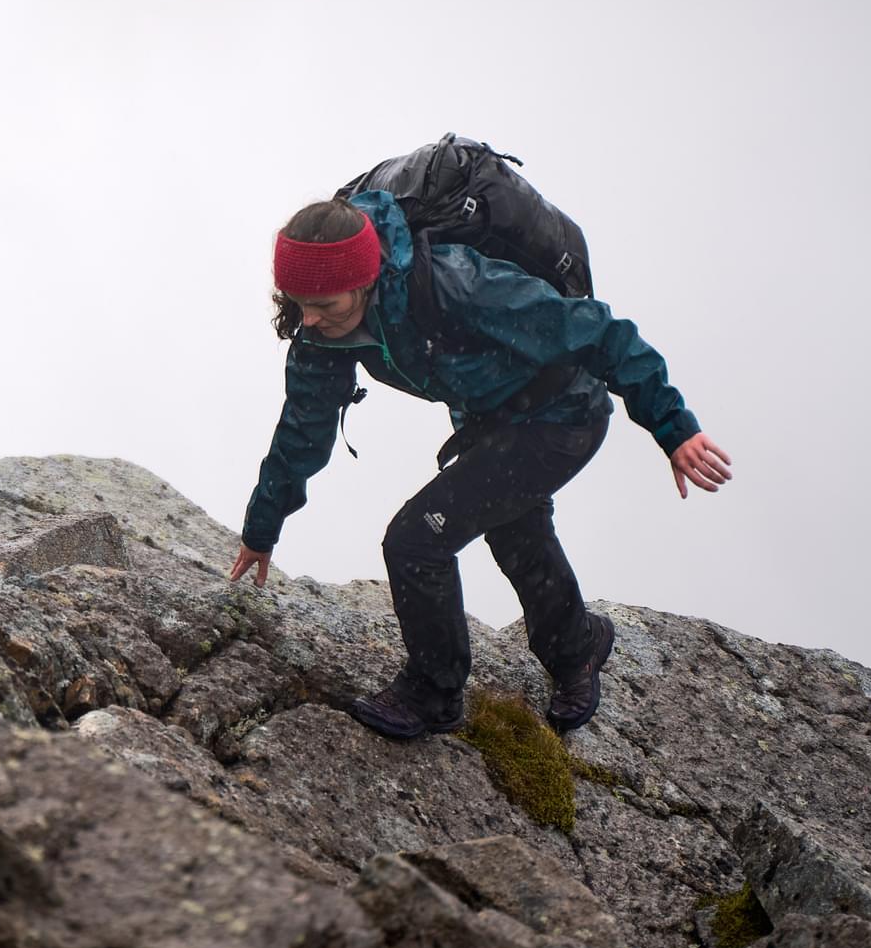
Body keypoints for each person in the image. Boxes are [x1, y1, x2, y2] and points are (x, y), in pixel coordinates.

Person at [228, 190, 731, 738]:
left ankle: (433, 693)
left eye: (325, 303)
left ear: (366, 276)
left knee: (416, 540)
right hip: (491, 422)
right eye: (299, 301)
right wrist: (262, 528)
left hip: (563, 414)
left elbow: (601, 332)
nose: (311, 317)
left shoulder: (456, 284)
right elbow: (302, 430)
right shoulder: (322, 336)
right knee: (516, 532)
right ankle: (578, 647)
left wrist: (673, 427)